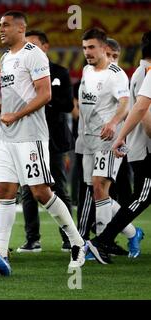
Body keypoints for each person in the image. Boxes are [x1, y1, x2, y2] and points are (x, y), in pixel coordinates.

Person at [0, 11, 86, 268]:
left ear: (20, 28)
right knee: (4, 192)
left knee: (41, 192)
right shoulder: (5, 58)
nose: (0, 29)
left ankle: (77, 242)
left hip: (30, 136)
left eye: (5, 25)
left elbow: (45, 94)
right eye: (0, 25)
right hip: (7, 137)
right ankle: (0, 254)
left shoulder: (33, 54)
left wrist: (15, 115)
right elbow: (12, 96)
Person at [87, 30, 151, 264]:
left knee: (133, 194)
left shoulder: (137, 72)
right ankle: (104, 240)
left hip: (126, 142)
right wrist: (120, 135)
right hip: (141, 146)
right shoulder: (146, 73)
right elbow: (141, 110)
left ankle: (103, 240)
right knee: (140, 196)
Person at [77, 28, 137, 253]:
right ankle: (131, 232)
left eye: (91, 47)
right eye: (84, 48)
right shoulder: (86, 70)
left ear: (104, 48)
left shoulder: (116, 73)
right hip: (88, 138)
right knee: (95, 189)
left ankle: (100, 243)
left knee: (101, 186)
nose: (87, 52)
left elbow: (125, 104)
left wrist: (112, 123)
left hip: (108, 139)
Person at [16, 30, 74, 253]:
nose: (28, 50)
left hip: (54, 140)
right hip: (28, 138)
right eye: (25, 45)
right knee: (28, 190)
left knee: (59, 187)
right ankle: (32, 240)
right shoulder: (21, 72)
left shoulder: (59, 72)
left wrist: (44, 99)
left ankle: (68, 238)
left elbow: (68, 104)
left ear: (46, 47)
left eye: (33, 45)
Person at [104, 37, 133, 211]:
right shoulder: (90, 75)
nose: (112, 60)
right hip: (97, 141)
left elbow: (127, 107)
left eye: (115, 56)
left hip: (120, 138)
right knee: (101, 187)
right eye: (108, 55)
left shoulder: (120, 77)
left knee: (121, 183)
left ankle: (123, 227)